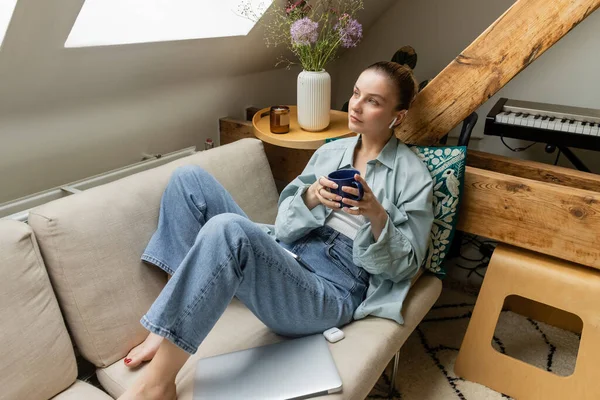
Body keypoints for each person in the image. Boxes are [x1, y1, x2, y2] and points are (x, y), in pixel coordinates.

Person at [119, 61, 434, 400]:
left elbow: (405, 267)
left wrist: (375, 213)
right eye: (356, 93)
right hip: (288, 253)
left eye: (373, 101)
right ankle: (168, 328)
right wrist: (312, 197)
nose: (356, 105)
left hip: (333, 287)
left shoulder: (414, 176)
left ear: (397, 116)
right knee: (188, 178)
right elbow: (284, 227)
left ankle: (157, 385)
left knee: (229, 229)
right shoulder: (330, 152)